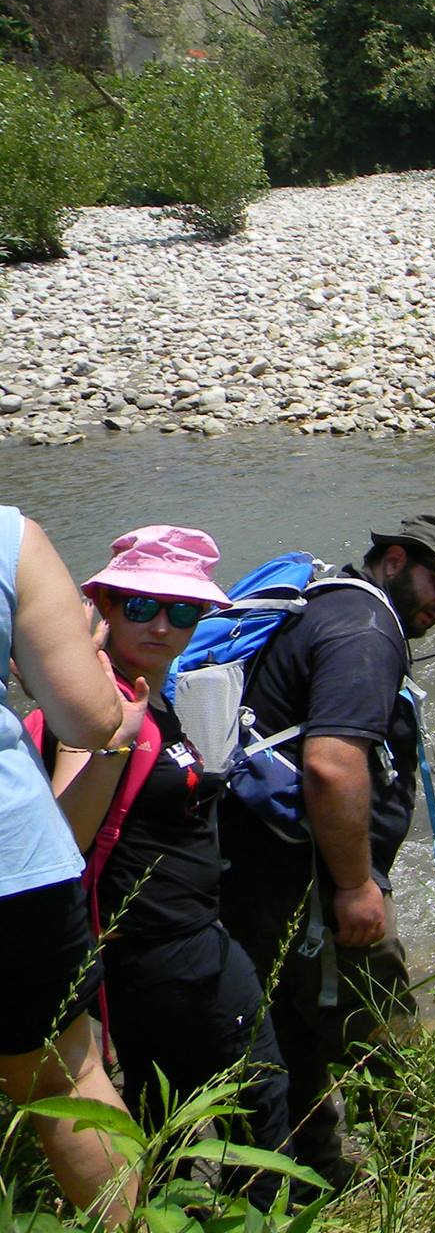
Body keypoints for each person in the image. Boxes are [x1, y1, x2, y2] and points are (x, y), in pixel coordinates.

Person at [217, 513, 435, 1190]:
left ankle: (307, 1172)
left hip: (259, 863)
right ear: (394, 560)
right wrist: (355, 887)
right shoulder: (366, 633)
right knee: (382, 1027)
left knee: (293, 1024)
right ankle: (425, 1176)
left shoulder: (327, 599)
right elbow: (333, 766)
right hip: (314, 879)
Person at [39, 527, 291, 1195]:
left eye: (182, 611)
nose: (162, 624)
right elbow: (62, 837)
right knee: (259, 1103)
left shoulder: (145, 688)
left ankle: (160, 1209)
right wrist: (114, 742)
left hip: (155, 954)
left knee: (161, 1118)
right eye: (141, 606)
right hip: (169, 951)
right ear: (106, 605)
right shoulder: (96, 705)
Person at [0, 507, 139, 1221]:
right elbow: (90, 721)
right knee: (68, 1078)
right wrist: (83, 656)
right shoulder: (9, 536)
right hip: (10, 861)